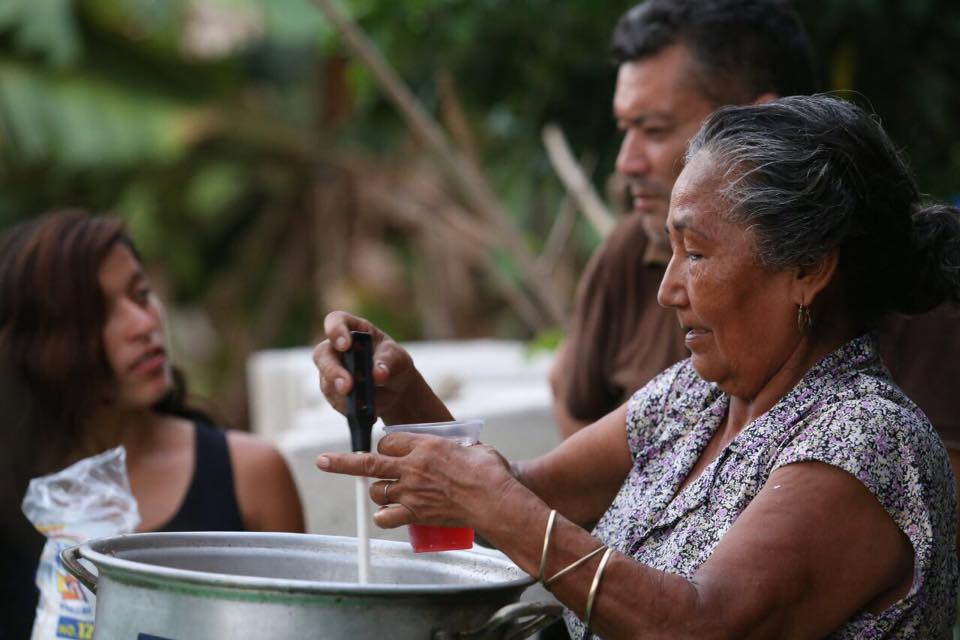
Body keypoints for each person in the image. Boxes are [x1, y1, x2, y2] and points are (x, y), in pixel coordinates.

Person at [313, 95, 959, 638]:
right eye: (670, 252)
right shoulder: (696, 397)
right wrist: (402, 396)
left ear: (809, 268)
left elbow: (699, 625)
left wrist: (496, 504)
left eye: (697, 254)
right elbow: (514, 500)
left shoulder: (868, 441)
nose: (668, 290)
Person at [0, 210, 305, 636]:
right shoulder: (10, 498)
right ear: (36, 346)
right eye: (98, 315)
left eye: (141, 294)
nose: (143, 325)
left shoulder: (250, 475)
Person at [550, 0, 819, 439]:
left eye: (654, 130)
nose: (626, 163)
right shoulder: (629, 249)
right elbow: (567, 393)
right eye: (625, 129)